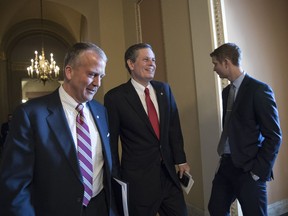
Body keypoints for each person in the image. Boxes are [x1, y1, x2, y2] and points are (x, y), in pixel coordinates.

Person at [0, 42, 118, 216]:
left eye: (101, 76)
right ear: (69, 72)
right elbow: (15, 184)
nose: (98, 83)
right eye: (92, 74)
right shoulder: (30, 114)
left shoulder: (101, 111)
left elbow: (107, 165)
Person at [104, 43, 190, 216]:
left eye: (153, 60)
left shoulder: (164, 90)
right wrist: (117, 178)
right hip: (138, 180)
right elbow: (111, 142)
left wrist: (181, 160)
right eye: (146, 59)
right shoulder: (115, 97)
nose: (152, 64)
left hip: (168, 176)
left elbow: (174, 129)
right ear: (131, 64)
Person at [208, 43, 282, 216]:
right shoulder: (226, 92)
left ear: (226, 62)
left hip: (249, 169)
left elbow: (274, 136)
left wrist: (258, 172)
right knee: (216, 209)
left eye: (215, 64)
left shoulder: (259, 90)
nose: (214, 69)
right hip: (226, 166)